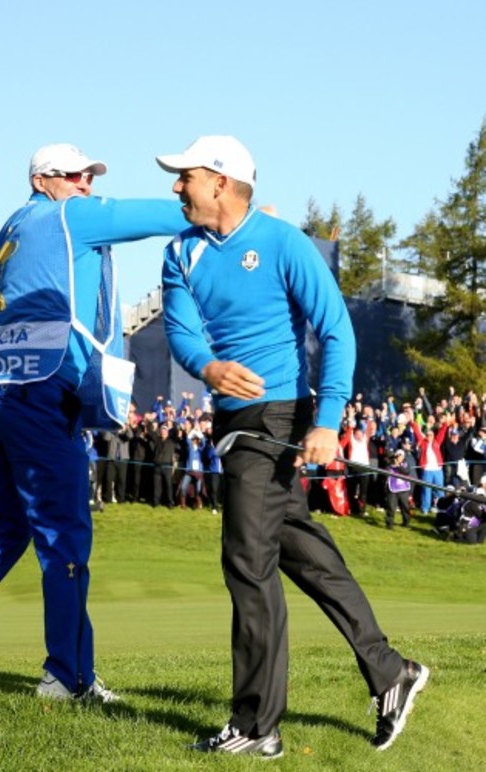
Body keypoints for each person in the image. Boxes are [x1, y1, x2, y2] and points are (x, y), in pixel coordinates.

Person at [157, 135, 429, 759]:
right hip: (232, 418)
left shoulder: (284, 243)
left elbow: (336, 329)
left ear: (220, 182)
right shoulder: (180, 252)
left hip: (280, 416)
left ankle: (257, 727)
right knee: (303, 554)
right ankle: (390, 671)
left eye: (186, 176)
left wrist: (328, 421)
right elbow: (180, 327)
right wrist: (207, 366)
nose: (177, 187)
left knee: (247, 560)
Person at [0, 142, 185, 698]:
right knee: (64, 530)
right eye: (74, 175)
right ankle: (68, 677)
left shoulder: (7, 231)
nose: (85, 185)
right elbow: (162, 214)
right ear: (42, 180)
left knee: (10, 522)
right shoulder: (72, 216)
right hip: (42, 387)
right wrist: (231, 212)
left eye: (90, 177)